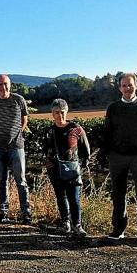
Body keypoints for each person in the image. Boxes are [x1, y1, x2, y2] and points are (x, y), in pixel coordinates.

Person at [103, 73, 137, 244]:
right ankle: (118, 230)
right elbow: (107, 132)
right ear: (119, 88)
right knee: (118, 194)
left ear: (136, 85)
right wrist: (108, 153)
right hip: (117, 157)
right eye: (124, 85)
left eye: (130, 85)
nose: (127, 88)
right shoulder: (113, 108)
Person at [0, 74, 32, 223]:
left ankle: (26, 213)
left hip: (16, 146)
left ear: (10, 85)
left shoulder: (19, 100)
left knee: (21, 180)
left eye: (5, 84)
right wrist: (0, 135)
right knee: (1, 180)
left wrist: (16, 135)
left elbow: (24, 120)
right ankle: (3, 212)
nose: (3, 87)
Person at [43, 99, 91, 237]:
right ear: (52, 114)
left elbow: (85, 150)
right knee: (61, 197)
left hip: (73, 170)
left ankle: (77, 225)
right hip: (55, 170)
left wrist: (81, 166)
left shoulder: (76, 129)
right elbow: (46, 150)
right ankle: (66, 223)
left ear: (67, 112)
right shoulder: (49, 131)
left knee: (74, 198)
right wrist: (48, 165)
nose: (60, 115)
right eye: (56, 112)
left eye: (62, 112)